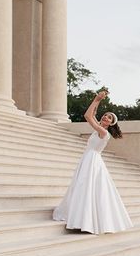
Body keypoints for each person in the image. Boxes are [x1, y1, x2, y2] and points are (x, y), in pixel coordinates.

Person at [53, 90, 133, 234]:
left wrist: (96, 99)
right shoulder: (99, 128)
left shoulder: (103, 132)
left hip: (93, 160)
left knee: (87, 186)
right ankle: (80, 216)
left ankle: (86, 220)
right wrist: (97, 101)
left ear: (111, 123)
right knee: (82, 186)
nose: (106, 117)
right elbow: (91, 114)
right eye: (105, 115)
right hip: (88, 158)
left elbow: (87, 116)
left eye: (109, 118)